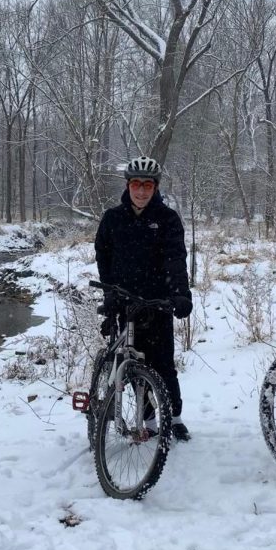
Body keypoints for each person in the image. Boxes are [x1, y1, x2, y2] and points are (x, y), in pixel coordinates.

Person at [94, 155, 193, 441]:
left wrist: (180, 294)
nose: (141, 191)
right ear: (128, 185)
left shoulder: (167, 219)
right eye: (136, 184)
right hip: (124, 303)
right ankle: (147, 419)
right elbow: (104, 257)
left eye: (147, 185)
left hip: (156, 304)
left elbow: (176, 259)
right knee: (132, 366)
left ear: (155, 187)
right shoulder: (113, 219)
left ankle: (174, 417)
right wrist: (109, 292)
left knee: (163, 365)